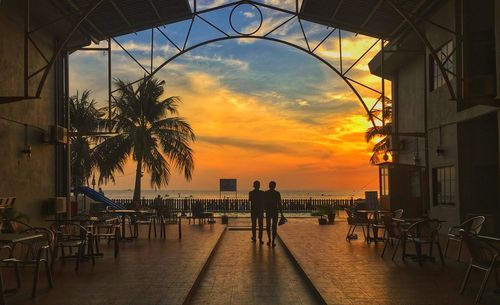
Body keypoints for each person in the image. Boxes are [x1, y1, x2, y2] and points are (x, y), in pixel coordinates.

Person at [264, 181, 283, 247]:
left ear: (269, 186)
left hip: (269, 211)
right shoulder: (277, 193)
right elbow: (279, 204)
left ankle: (270, 240)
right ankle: (272, 241)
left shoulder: (266, 193)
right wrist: (282, 213)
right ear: (275, 186)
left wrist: (264, 210)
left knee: (269, 226)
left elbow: (264, 203)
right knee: (273, 227)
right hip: (274, 211)